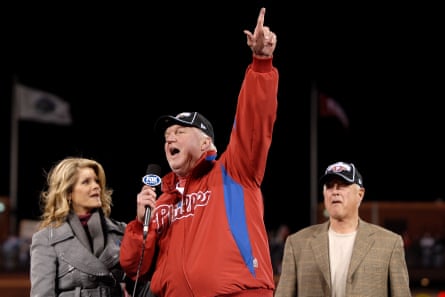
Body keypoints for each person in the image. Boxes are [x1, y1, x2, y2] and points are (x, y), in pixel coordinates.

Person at [119, 7, 278, 297]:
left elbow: (253, 124)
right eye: (167, 136)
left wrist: (261, 64)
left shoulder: (235, 171)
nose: (170, 140)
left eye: (179, 132)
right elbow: (134, 266)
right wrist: (141, 223)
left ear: (206, 144)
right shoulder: (163, 198)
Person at [274, 161, 412, 297]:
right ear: (324, 193)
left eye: (342, 185)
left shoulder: (389, 244)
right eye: (329, 186)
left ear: (360, 194)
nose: (335, 192)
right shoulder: (297, 243)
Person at [30, 157, 135, 297]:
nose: (96, 186)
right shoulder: (46, 239)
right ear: (68, 193)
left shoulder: (121, 231)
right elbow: (42, 294)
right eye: (86, 182)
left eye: (96, 181)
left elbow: (139, 283)